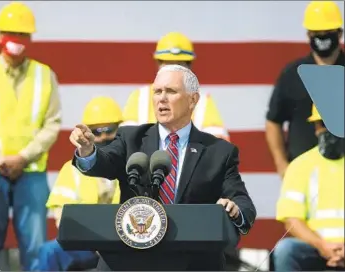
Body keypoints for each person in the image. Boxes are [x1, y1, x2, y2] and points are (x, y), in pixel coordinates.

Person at [69, 64, 256, 271]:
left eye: (171, 91)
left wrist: (235, 209)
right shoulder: (131, 138)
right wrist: (88, 151)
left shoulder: (219, 152)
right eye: (157, 92)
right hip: (130, 258)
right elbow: (104, 162)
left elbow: (242, 202)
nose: (161, 99)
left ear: (193, 100)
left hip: (192, 261)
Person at [0, 2, 62, 271]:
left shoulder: (45, 75)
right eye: (10, 34)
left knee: (35, 246)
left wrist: (22, 157)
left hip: (31, 171)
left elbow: (52, 124)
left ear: (30, 38)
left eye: (22, 35)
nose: (16, 41)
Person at [38, 97, 121, 271]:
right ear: (86, 133)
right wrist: (93, 241)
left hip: (124, 243)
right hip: (86, 245)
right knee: (48, 253)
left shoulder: (133, 165)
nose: (103, 136)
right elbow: (63, 218)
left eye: (109, 130)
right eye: (96, 132)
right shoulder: (71, 169)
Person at [265, 1, 344, 178]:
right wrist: (281, 164)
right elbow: (273, 121)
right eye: (317, 34)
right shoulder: (292, 74)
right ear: (308, 34)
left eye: (327, 33)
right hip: (302, 176)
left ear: (340, 33)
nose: (322, 38)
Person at [121, 31, 230, 141]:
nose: (173, 70)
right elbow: (126, 143)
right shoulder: (140, 97)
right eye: (168, 64)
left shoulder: (202, 100)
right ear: (158, 64)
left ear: (190, 66)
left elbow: (219, 147)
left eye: (179, 65)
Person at [274, 104, 344, 271]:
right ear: (315, 127)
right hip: (315, 248)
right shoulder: (301, 165)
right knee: (286, 250)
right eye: (323, 124)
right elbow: (292, 219)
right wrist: (322, 245)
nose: (329, 130)